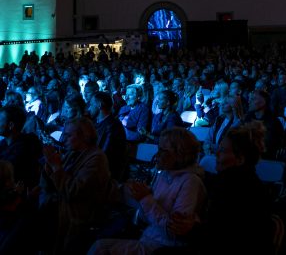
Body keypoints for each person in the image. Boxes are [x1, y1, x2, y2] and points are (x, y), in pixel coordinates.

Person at [88, 127, 207, 254]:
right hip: (149, 235)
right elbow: (149, 213)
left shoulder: (191, 183)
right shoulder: (165, 174)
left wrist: (145, 198)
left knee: (100, 248)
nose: (157, 155)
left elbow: (173, 231)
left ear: (180, 154)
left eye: (162, 150)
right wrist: (134, 193)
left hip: (163, 247)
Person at [40, 117, 116, 254]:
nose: (63, 139)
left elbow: (72, 191)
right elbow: (51, 185)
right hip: (62, 210)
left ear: (84, 137)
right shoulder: (73, 153)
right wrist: (49, 165)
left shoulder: (97, 158)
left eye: (68, 135)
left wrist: (56, 166)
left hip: (78, 220)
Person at [199, 124, 275, 255]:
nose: (216, 153)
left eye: (222, 150)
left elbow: (220, 237)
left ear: (240, 159)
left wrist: (192, 228)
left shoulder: (231, 189)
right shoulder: (249, 182)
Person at [88, 92, 129, 182]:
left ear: (99, 105)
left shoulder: (113, 126)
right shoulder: (97, 123)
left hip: (107, 174)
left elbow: (104, 153)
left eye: (91, 104)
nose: (89, 108)